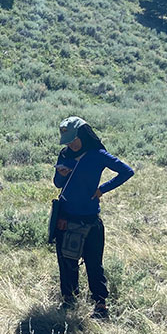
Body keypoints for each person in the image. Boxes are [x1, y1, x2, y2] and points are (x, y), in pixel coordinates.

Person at [52, 116, 133, 319]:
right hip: (66, 216)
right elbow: (57, 183)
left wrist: (101, 189)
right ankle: (69, 300)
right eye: (68, 141)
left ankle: (100, 304)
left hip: (90, 219)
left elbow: (126, 171)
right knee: (66, 261)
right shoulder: (65, 154)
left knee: (94, 263)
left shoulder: (98, 155)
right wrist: (62, 174)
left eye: (73, 139)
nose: (71, 144)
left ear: (83, 135)